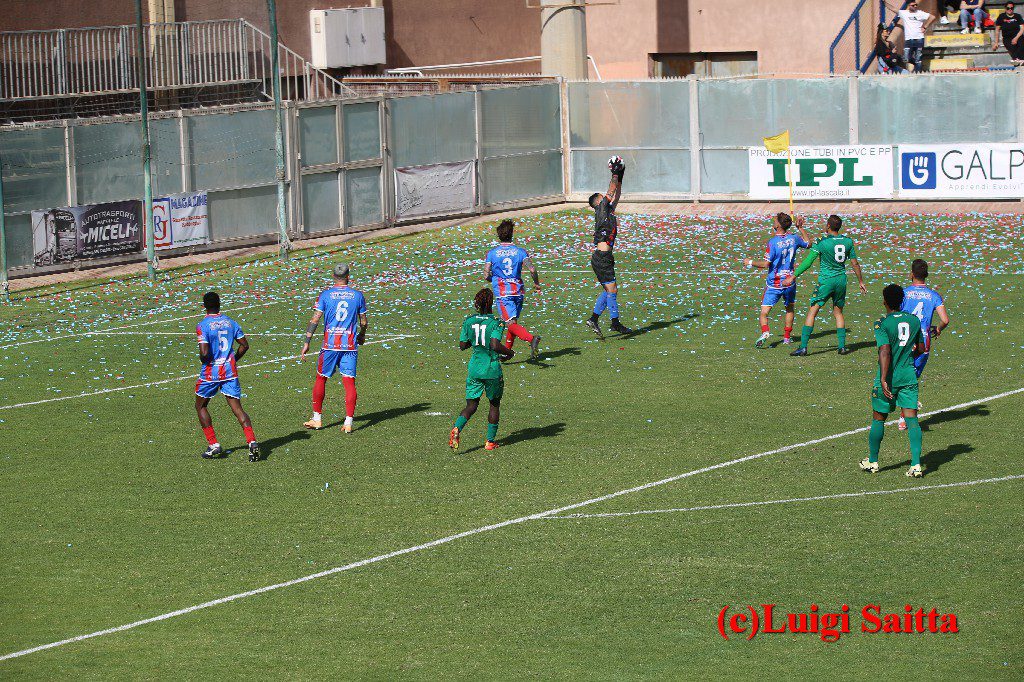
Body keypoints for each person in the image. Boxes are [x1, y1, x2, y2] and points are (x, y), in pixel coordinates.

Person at [860, 284, 927, 478]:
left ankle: (872, 461)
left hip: (889, 378)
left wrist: (883, 378)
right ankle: (916, 465)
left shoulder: (882, 323)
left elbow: (885, 350)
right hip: (908, 376)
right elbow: (921, 349)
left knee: (879, 417)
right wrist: (908, 355)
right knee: (912, 419)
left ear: (885, 301)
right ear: (902, 301)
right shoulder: (914, 321)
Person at [785, 214, 867, 356]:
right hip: (841, 280)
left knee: (813, 311)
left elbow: (808, 262)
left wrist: (793, 276)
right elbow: (854, 263)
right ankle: (841, 347)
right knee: (838, 312)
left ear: (828, 226)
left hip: (826, 281)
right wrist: (860, 281)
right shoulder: (848, 241)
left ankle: (803, 347)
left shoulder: (821, 242)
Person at [300, 263, 368, 434]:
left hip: (330, 345)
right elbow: (364, 322)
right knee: (349, 382)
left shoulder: (325, 295)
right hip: (349, 345)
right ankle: (349, 422)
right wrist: (362, 334)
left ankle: (317, 419)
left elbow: (315, 319)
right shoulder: (357, 296)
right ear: (348, 276)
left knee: (321, 379)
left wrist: (307, 342)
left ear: (333, 277)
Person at [194, 291, 260, 462]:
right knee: (238, 409)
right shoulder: (231, 322)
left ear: (205, 306)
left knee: (201, 406)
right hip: (230, 372)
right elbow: (244, 345)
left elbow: (204, 353)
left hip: (211, 373)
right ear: (219, 304)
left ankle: (214, 445)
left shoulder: (203, 325)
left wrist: (204, 359)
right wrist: (232, 360)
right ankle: (252, 442)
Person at [450, 288, 514, 452]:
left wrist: (475, 340)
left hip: (474, 369)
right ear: (491, 303)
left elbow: (463, 346)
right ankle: (490, 442)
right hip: (491, 369)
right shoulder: (496, 322)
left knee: (471, 405)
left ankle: (457, 428)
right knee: (494, 405)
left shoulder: (469, 320)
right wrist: (509, 352)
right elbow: (494, 344)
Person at [742, 213, 811, 348]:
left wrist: (749, 262)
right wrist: (801, 228)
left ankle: (765, 331)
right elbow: (808, 244)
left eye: (774, 221)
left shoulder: (773, 242)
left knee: (764, 313)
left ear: (778, 225)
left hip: (774, 283)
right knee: (789, 308)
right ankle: (786, 338)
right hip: (789, 281)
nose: (773, 222)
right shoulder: (794, 238)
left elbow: (766, 264)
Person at [898, 259, 950, 430]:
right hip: (923, 342)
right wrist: (938, 329)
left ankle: (904, 414)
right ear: (926, 275)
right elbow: (945, 320)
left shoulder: (904, 294)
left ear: (911, 274)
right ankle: (905, 416)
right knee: (912, 378)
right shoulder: (933, 295)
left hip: (904, 340)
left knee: (903, 376)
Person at [585, 155, 633, 338]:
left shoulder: (607, 210)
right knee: (612, 290)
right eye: (601, 196)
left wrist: (621, 174)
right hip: (602, 258)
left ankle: (594, 319)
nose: (604, 196)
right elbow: (611, 190)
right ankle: (615, 323)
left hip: (604, 258)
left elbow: (617, 192)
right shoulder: (601, 207)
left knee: (609, 290)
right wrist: (614, 171)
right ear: (597, 201)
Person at [484, 219, 542, 359]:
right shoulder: (520, 252)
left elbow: (486, 274)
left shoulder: (492, 253)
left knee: (509, 323)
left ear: (499, 235)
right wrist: (536, 283)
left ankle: (531, 338)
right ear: (512, 234)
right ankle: (507, 353)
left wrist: (494, 279)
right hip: (518, 292)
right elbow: (532, 269)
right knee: (512, 322)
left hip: (503, 293)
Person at [893, 0, 935, 72]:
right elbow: (893, 9)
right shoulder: (904, 13)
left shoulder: (920, 13)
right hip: (909, 39)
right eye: (913, 5)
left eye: (916, 5)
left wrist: (925, 26)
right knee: (906, 58)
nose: (915, 6)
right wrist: (884, 3)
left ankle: (917, 73)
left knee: (918, 58)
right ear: (908, 6)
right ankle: (916, 65)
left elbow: (932, 17)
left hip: (919, 39)